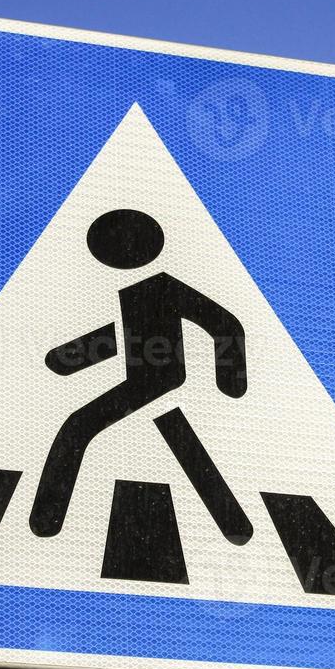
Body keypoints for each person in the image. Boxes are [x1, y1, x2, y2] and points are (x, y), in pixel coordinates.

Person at [30, 208, 252, 544]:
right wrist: (67, 358)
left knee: (77, 428)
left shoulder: (165, 286)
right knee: (186, 450)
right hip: (148, 383)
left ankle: (46, 520)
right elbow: (123, 337)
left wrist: (231, 382)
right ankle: (236, 527)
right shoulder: (136, 292)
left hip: (159, 382)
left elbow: (224, 324)